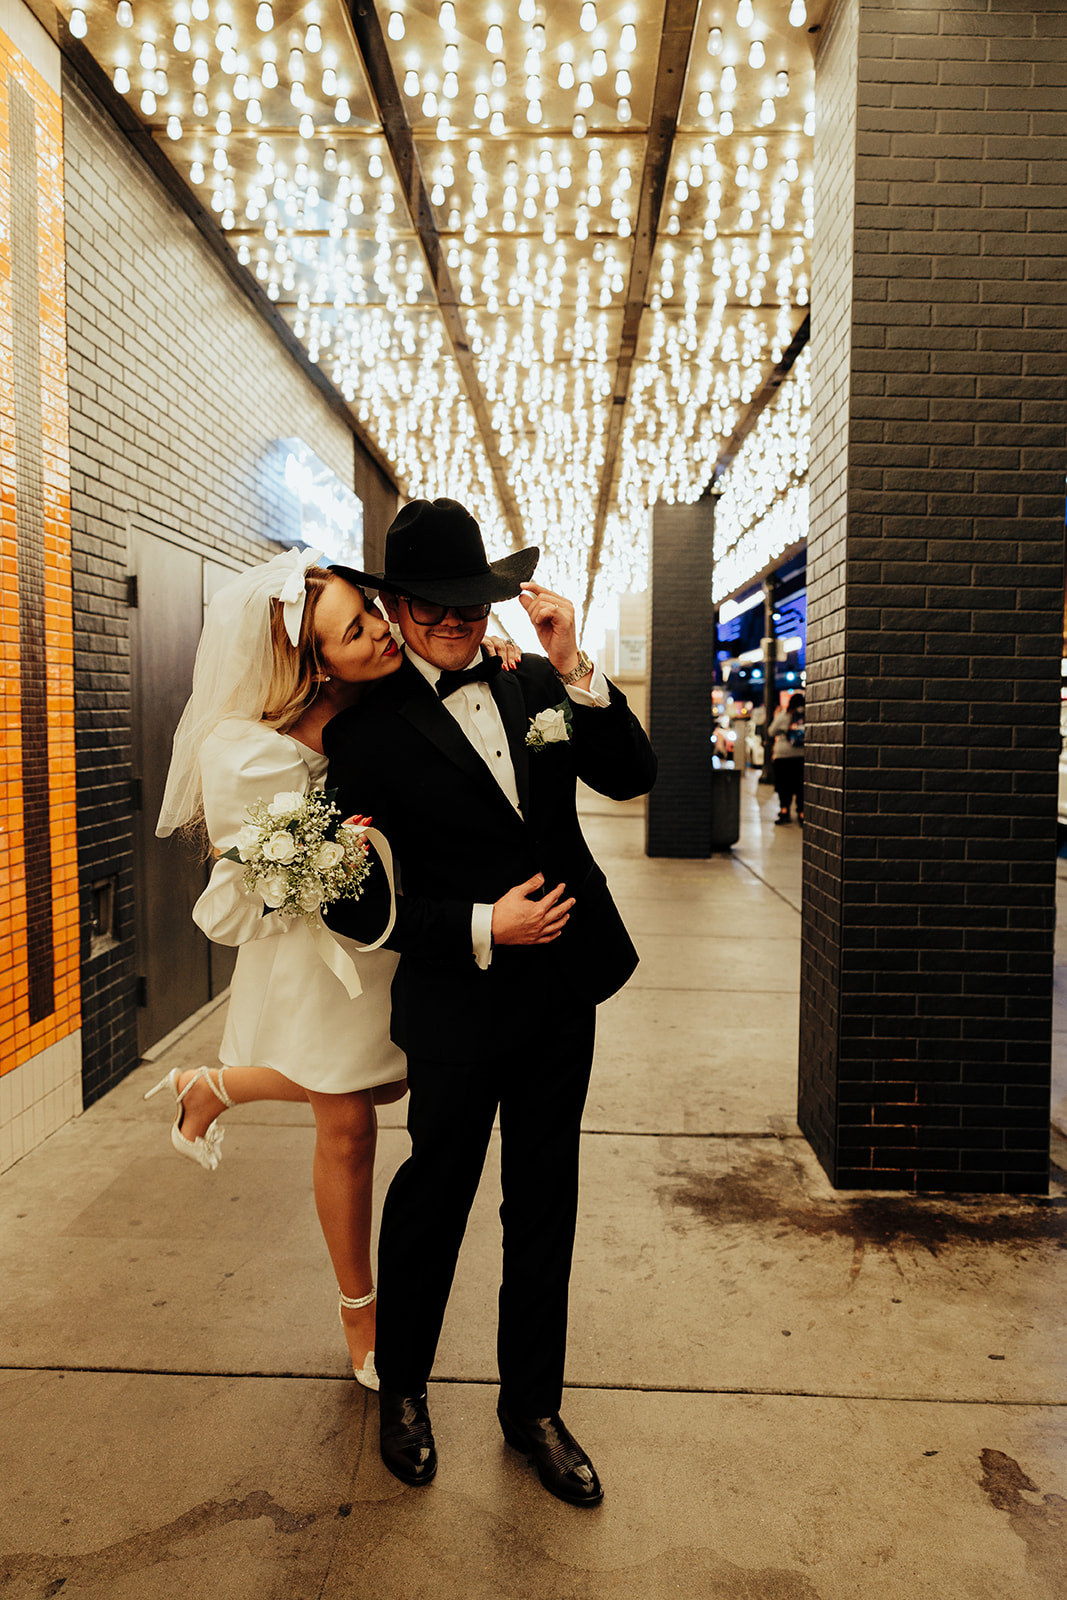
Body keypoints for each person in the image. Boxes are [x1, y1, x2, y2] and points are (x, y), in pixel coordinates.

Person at [323, 498, 657, 1507]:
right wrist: (478, 924)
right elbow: (354, 905)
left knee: (543, 1204)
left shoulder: (529, 681)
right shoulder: (365, 737)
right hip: (456, 1007)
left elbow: (631, 776)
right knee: (435, 1202)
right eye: (436, 609)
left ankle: (533, 1410)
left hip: (564, 990)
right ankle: (406, 1391)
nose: (461, 622)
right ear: (393, 607)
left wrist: (573, 664)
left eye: (474, 602)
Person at [149, 547, 518, 1390]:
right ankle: (362, 1319)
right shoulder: (251, 750)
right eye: (357, 631)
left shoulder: (400, 686)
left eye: (373, 613)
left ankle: (216, 1086)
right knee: (348, 1122)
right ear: (312, 662)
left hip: (399, 938)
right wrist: (321, 853)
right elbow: (266, 879)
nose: (384, 633)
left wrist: (494, 656)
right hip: (321, 955)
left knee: (385, 1086)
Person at [768, 690, 805, 824]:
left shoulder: (784, 715)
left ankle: (784, 811)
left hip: (783, 756)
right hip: (801, 755)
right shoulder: (807, 715)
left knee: (784, 785)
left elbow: (771, 731)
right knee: (801, 785)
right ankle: (802, 813)